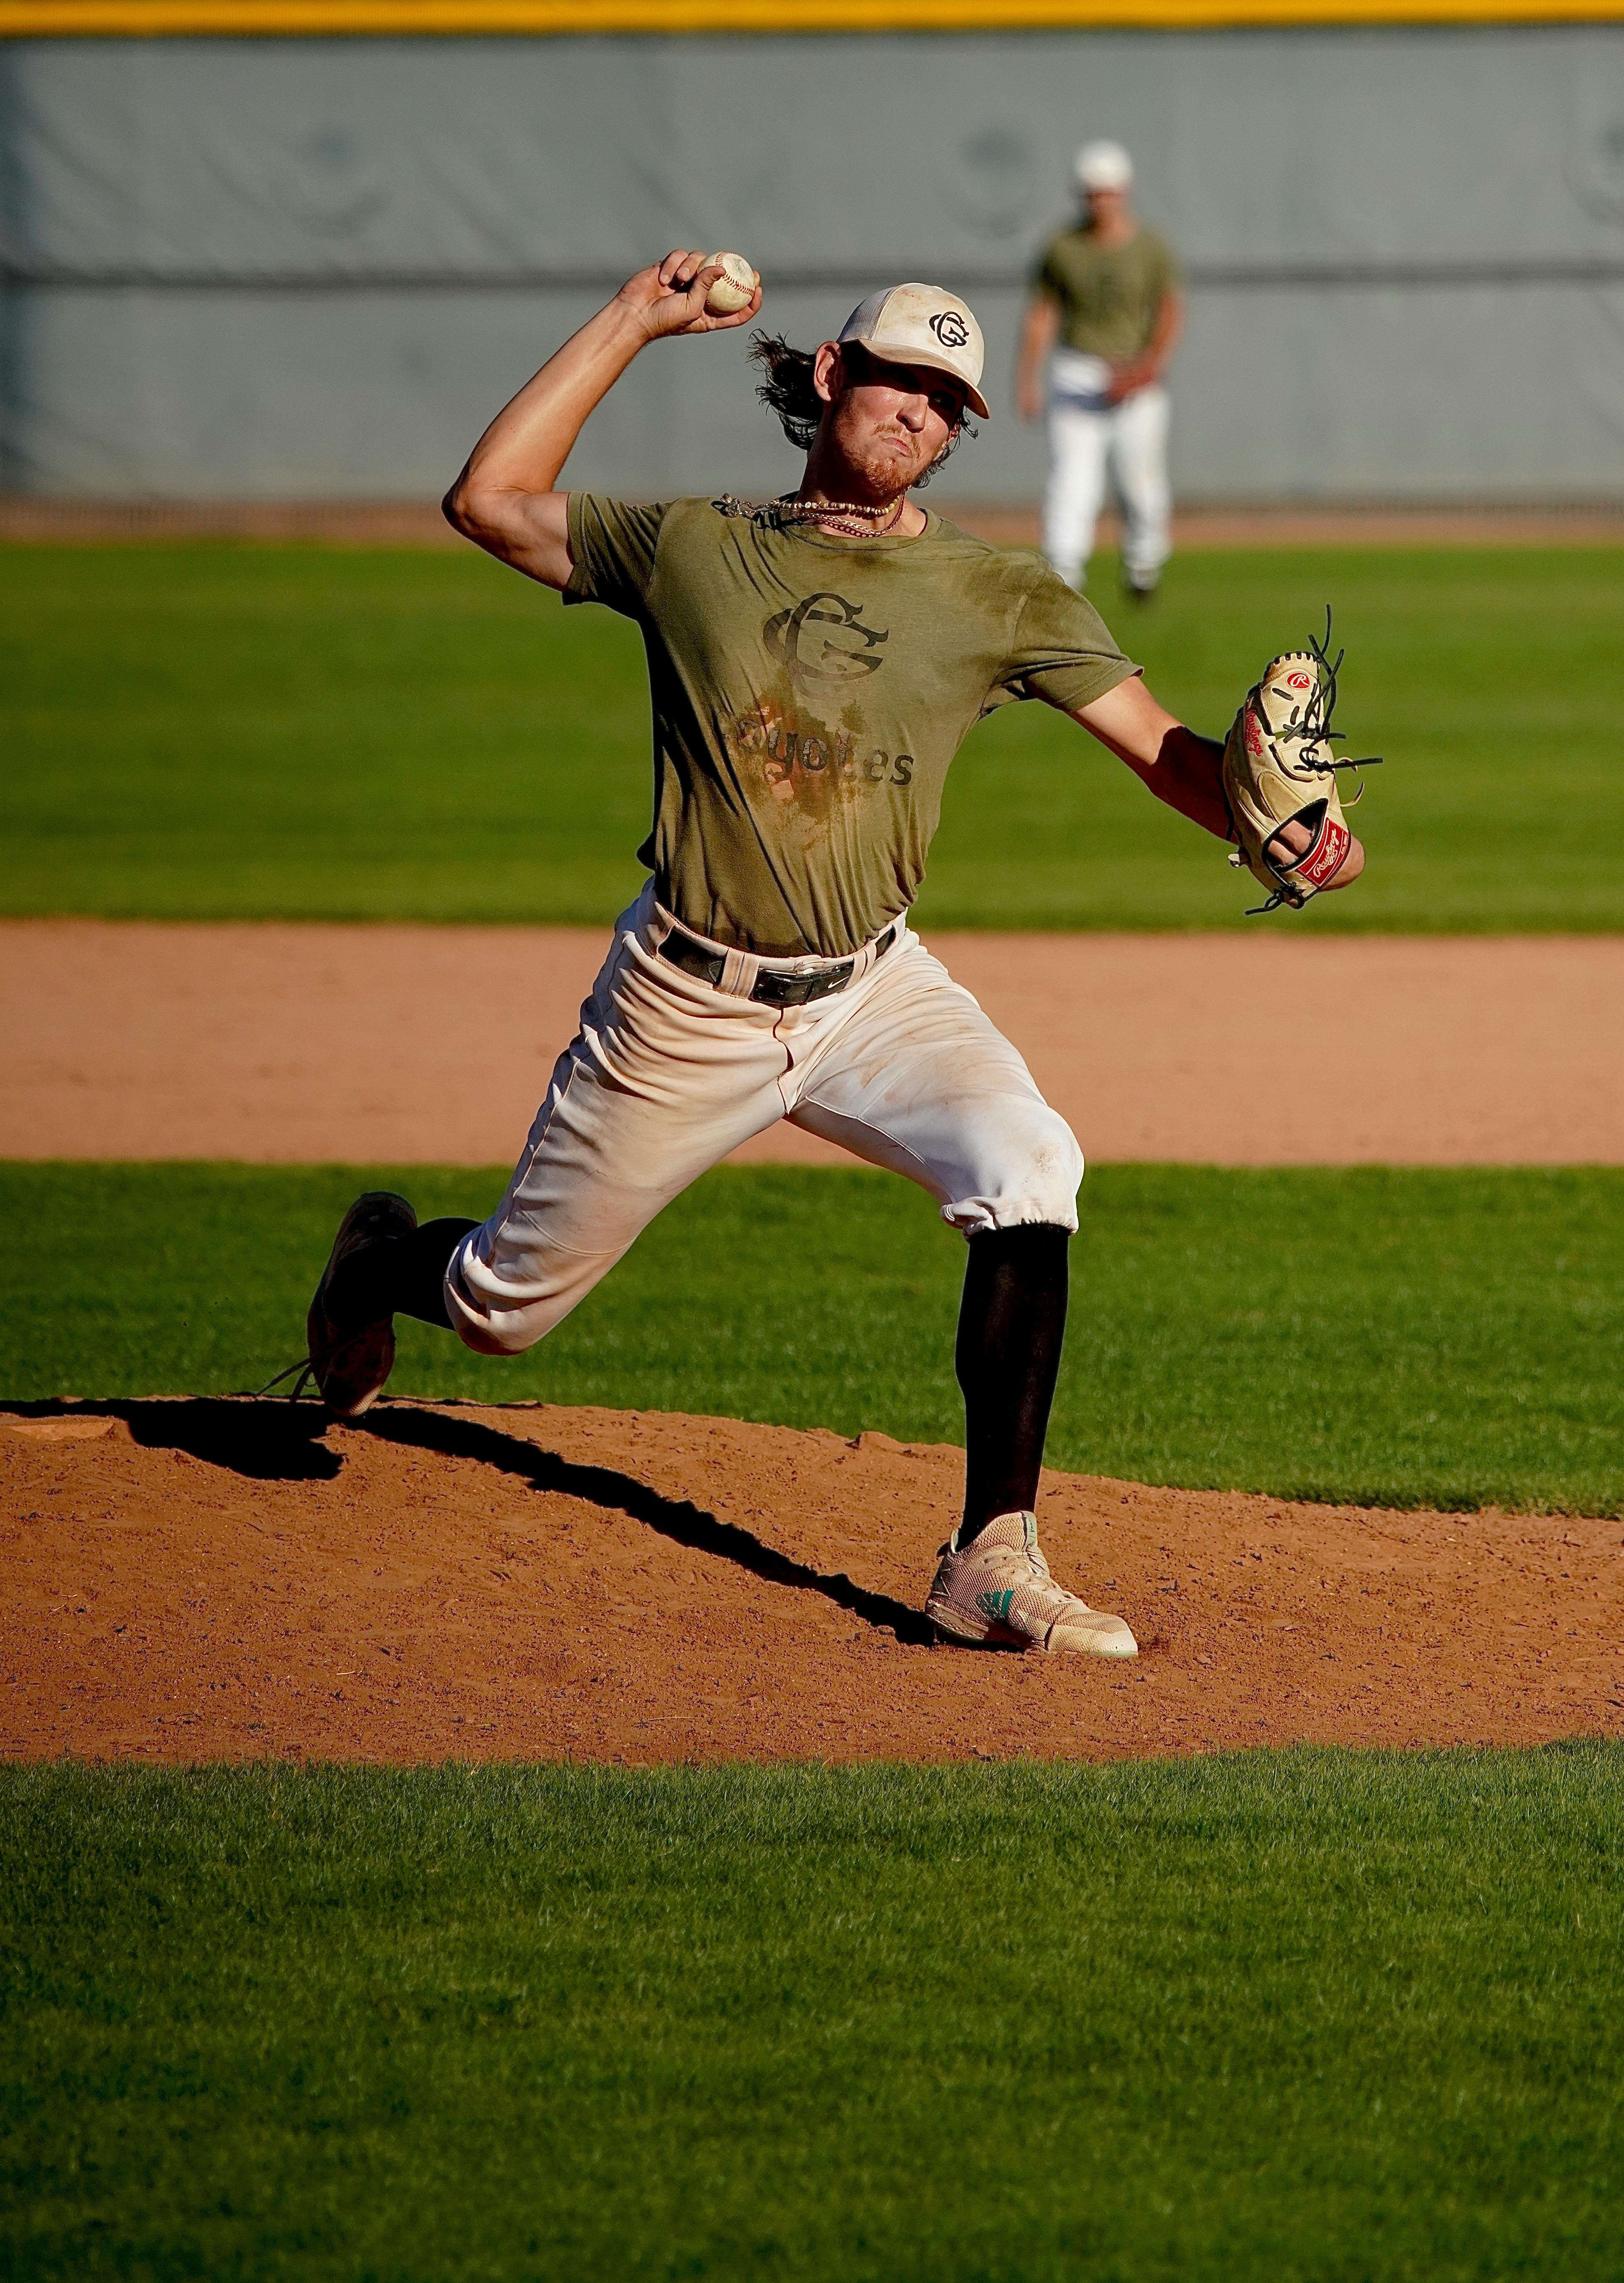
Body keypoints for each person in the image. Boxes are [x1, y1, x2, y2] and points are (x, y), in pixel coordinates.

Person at [303, 250, 1364, 1658]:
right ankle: (376, 1262)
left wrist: (1265, 819)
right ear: (830, 376)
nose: (919, 409)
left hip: (874, 987)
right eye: (899, 376)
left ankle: (992, 1559)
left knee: (1031, 1162)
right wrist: (637, 317)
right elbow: (488, 501)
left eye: (948, 399)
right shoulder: (693, 547)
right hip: (685, 1000)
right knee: (502, 1310)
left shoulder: (1001, 593)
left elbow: (1168, 753)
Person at [1018, 138, 1181, 601]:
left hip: (1135, 375)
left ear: (1125, 191)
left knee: (1141, 479)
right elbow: (1043, 313)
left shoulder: (1150, 247)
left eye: (1109, 191)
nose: (1101, 202)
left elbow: (1170, 308)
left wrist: (1150, 364)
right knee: (1072, 477)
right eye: (1093, 192)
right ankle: (1066, 569)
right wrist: (1028, 378)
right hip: (1078, 369)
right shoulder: (1063, 247)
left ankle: (1143, 563)